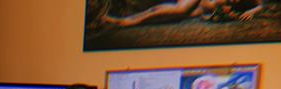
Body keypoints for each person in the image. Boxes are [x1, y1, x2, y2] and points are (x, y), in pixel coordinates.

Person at [100, 0, 263, 28]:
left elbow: (261, 5)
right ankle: (130, 21)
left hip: (201, 8)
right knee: (181, 10)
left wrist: (252, 10)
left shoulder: (251, 2)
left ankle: (126, 19)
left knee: (174, 15)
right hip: (196, 2)